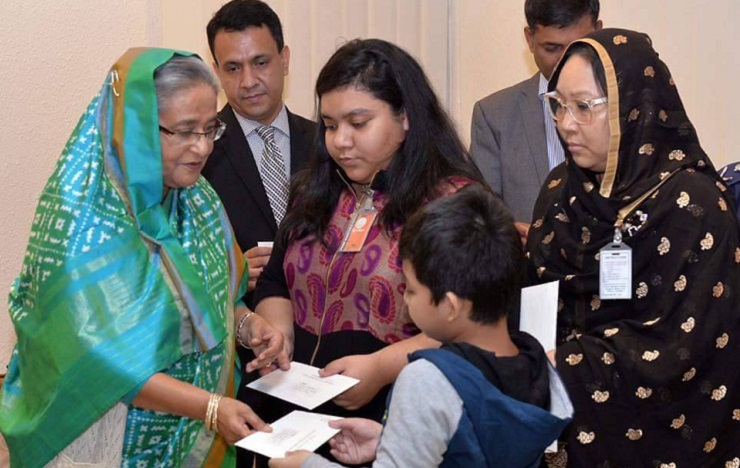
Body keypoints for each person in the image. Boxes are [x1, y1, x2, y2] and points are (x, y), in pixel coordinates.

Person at [0, 48, 282, 467]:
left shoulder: (199, 199)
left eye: (210, 128)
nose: (202, 147)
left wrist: (249, 325)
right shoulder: (83, 220)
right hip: (105, 438)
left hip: (186, 435)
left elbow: (218, 303)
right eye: (184, 131)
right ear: (135, 127)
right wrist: (209, 407)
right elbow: (100, 365)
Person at [245, 38, 486, 461]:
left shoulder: (452, 203)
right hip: (292, 414)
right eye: (329, 125)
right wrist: (277, 332)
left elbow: (475, 326)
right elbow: (276, 281)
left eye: (358, 123)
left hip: (390, 419)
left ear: (405, 117)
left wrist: (380, 368)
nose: (340, 141)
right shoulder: (315, 190)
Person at [526, 29, 740, 465]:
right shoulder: (559, 191)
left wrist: (561, 365)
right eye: (558, 105)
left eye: (583, 107)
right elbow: (536, 302)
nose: (566, 123)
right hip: (555, 422)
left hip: (664, 432)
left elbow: (681, 346)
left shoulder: (694, 205)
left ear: (633, 107)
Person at [269, 185, 573, 468]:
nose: (404, 299)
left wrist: (308, 464)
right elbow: (476, 442)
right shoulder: (534, 361)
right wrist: (394, 441)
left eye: (412, 289)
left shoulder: (428, 379)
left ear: (450, 306)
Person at [203, 0, 315, 296]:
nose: (248, 81)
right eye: (233, 68)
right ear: (217, 72)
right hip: (240, 319)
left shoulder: (327, 143)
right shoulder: (198, 151)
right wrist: (228, 274)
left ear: (284, 59)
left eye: (260, 62)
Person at [470, 0, 601, 224]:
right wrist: (515, 235)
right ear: (530, 39)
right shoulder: (494, 116)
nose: (566, 61)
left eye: (578, 47)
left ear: (599, 33)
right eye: (552, 48)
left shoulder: (627, 107)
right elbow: (480, 219)